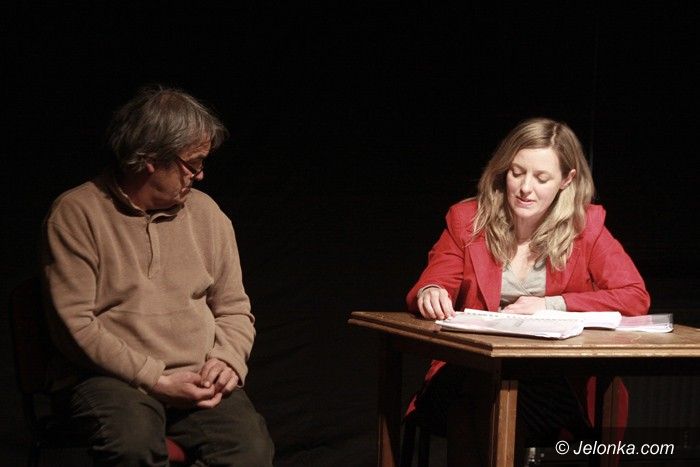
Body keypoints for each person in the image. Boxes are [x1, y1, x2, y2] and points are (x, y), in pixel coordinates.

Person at [41, 85, 275, 466]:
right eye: (192, 163)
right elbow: (76, 326)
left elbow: (234, 308)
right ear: (150, 159)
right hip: (108, 379)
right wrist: (156, 379)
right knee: (133, 443)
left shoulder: (207, 215)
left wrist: (228, 359)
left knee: (249, 449)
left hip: (195, 377)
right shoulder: (76, 214)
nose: (200, 175)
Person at [405, 117, 650, 465]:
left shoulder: (586, 227)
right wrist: (430, 291)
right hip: (468, 369)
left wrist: (551, 305)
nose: (525, 188)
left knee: (481, 401)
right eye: (517, 173)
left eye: (541, 178)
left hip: (551, 379)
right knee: (479, 391)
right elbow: (436, 277)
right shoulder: (467, 219)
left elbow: (634, 296)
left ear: (567, 180)